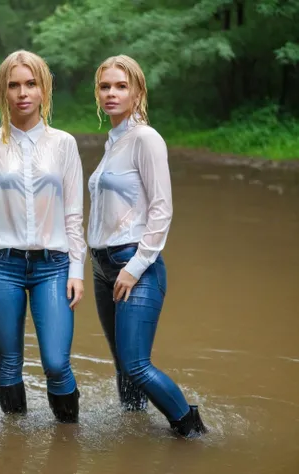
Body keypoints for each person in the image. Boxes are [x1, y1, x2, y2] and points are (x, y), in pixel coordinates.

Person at [88, 55, 207, 437]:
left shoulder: (145, 138)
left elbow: (162, 208)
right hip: (102, 266)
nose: (111, 93)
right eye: (105, 86)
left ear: (138, 92)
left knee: (137, 363)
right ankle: (134, 430)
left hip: (134, 264)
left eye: (121, 86)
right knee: (123, 362)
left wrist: (135, 266)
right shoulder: (113, 141)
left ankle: (192, 431)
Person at [0, 50, 86, 423]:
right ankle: (13, 443)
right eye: (14, 85)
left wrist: (77, 269)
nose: (22, 93)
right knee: (8, 362)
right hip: (1, 266)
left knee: (55, 361)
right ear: (2, 91)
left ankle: (68, 442)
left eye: (31, 84)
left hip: (53, 265)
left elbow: (73, 213)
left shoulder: (64, 143)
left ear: (44, 90)